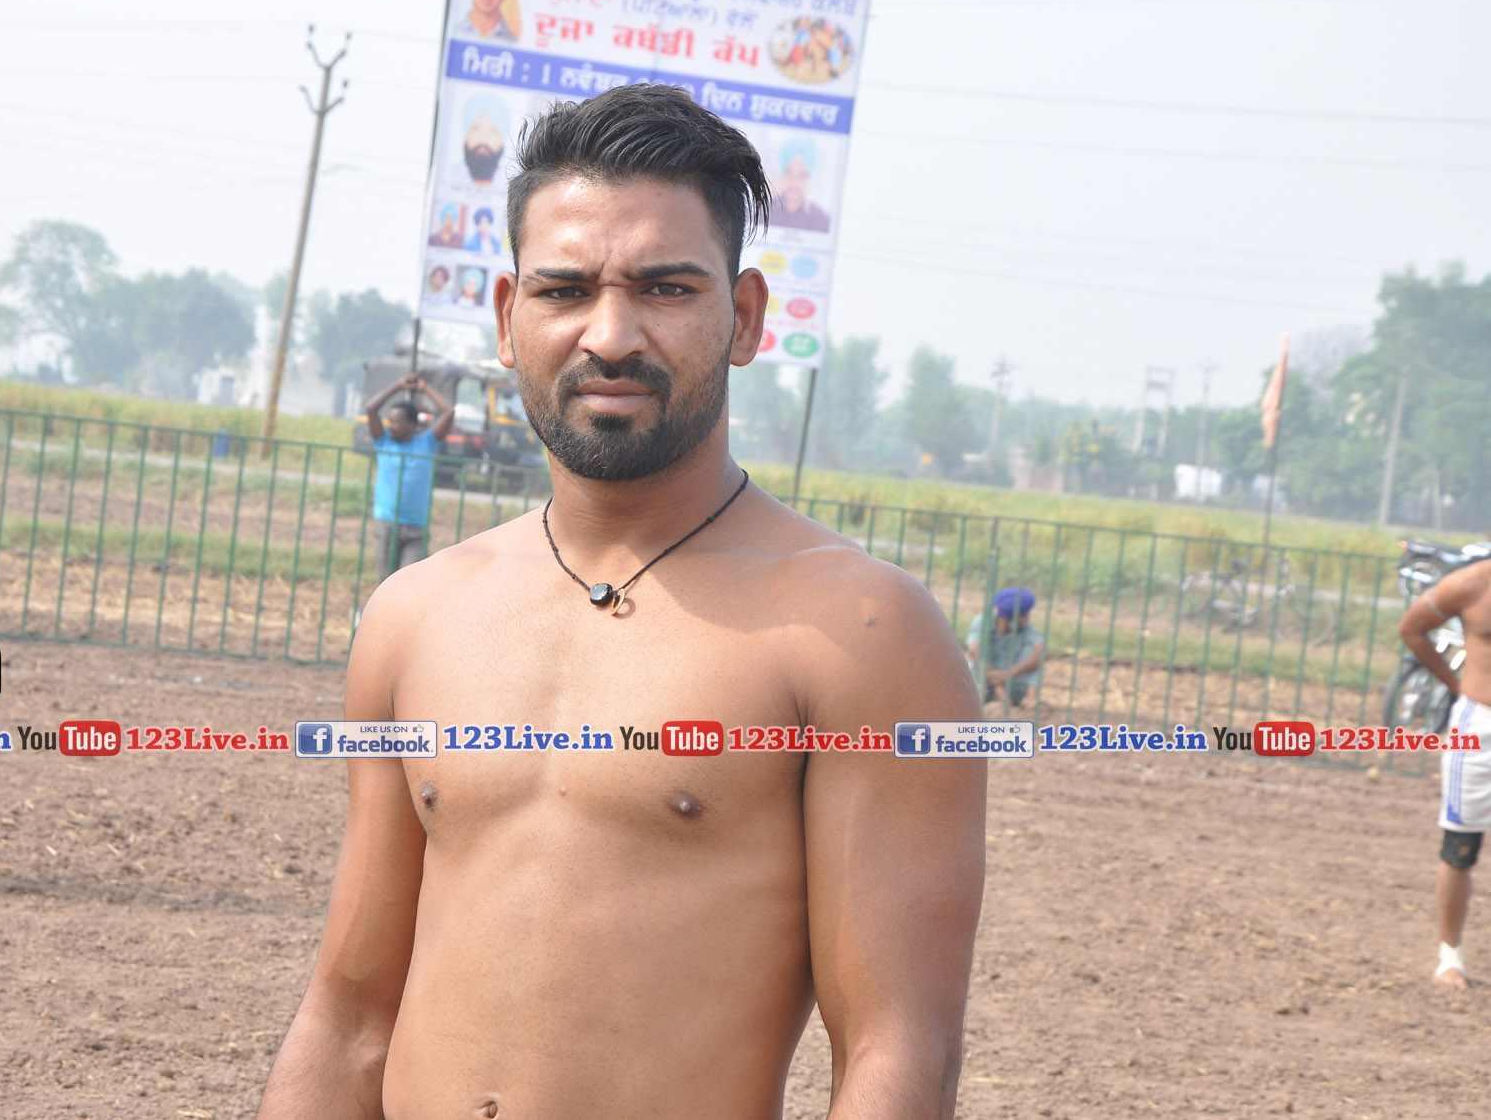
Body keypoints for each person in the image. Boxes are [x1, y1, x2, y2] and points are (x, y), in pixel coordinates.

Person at [259, 84, 984, 1119]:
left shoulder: (860, 632)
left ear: (743, 318)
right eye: (564, 289)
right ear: (509, 319)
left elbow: (897, 1047)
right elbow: (349, 1016)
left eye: (664, 288)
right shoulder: (414, 616)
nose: (609, 334)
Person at [1398, 557, 1491, 990]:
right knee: (1460, 846)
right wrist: (1454, 684)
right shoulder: (1471, 584)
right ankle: (1450, 956)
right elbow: (1412, 628)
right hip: (1479, 725)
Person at [364, 372, 454, 584]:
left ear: (412, 425)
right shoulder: (384, 442)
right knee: (385, 582)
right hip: (386, 523)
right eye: (390, 421)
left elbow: (448, 412)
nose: (390, 425)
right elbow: (371, 409)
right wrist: (398, 385)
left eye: (396, 422)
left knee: (408, 583)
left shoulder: (427, 443)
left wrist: (425, 388)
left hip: (415, 527)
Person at [966, 587, 1045, 708]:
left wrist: (1008, 673)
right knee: (979, 654)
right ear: (1010, 619)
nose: (1027, 619)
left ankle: (1032, 702)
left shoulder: (1025, 628)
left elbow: (1040, 651)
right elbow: (974, 650)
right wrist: (998, 686)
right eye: (1024, 616)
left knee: (1034, 656)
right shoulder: (982, 622)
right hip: (981, 685)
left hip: (1011, 685)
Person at [770, 136, 831, 233]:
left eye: (802, 175)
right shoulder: (763, 213)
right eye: (789, 172)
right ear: (781, 173)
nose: (794, 182)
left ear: (810, 178)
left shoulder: (822, 220)